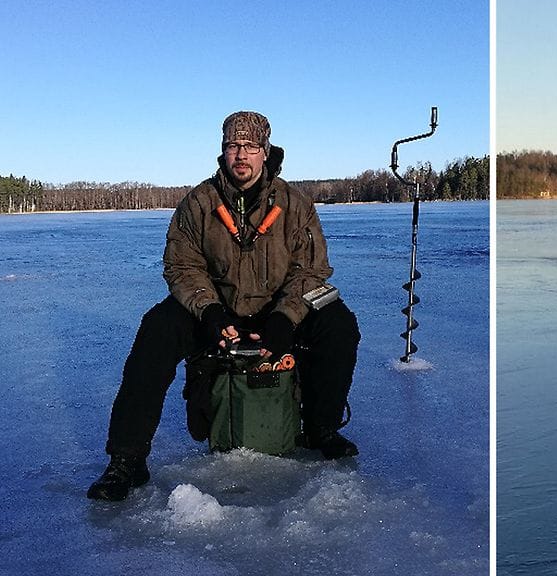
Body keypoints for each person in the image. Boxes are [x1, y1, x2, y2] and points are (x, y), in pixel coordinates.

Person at [88, 111, 361, 501]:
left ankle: (322, 428)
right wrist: (209, 312)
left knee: (339, 324)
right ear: (223, 151)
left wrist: (286, 317)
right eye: (234, 146)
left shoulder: (295, 204)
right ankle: (126, 459)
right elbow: (181, 266)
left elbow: (312, 270)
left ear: (266, 152)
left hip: (277, 309)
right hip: (215, 309)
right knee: (157, 327)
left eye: (250, 147)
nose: (241, 156)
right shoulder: (199, 202)